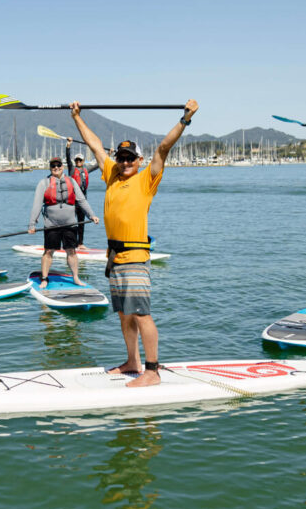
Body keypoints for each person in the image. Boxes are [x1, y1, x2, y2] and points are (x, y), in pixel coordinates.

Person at [71, 98, 199, 387]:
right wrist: (77, 117)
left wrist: (185, 119)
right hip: (114, 258)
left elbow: (164, 148)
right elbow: (94, 143)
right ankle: (133, 361)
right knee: (124, 315)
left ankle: (152, 371)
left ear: (139, 161)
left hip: (136, 258)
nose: (126, 162)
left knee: (142, 315)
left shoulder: (147, 179)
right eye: (122, 157)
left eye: (131, 158)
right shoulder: (111, 175)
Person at [27, 156, 99, 289]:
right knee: (48, 251)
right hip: (51, 224)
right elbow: (37, 205)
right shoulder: (44, 183)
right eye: (53, 166)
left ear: (63, 166)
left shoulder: (71, 181)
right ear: (50, 168)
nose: (56, 168)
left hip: (70, 224)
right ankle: (44, 278)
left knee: (71, 251)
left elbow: (82, 200)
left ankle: (76, 277)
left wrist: (92, 215)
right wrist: (32, 224)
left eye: (58, 165)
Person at [66, 137, 100, 249]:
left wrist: (107, 155)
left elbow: (98, 163)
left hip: (82, 200)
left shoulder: (86, 169)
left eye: (80, 160)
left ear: (83, 161)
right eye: (77, 160)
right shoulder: (71, 169)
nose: (78, 162)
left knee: (81, 223)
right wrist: (68, 146)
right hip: (71, 201)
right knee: (72, 224)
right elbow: (67, 158)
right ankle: (71, 243)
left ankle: (80, 243)